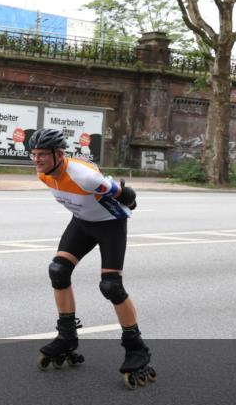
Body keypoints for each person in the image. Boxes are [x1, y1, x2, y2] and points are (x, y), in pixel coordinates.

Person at [28, 128, 155, 389]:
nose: (37, 159)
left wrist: (127, 197)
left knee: (111, 286)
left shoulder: (83, 176)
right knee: (58, 271)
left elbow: (123, 193)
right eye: (34, 154)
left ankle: (136, 347)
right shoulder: (43, 174)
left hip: (110, 225)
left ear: (59, 154)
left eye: (42, 154)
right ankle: (67, 337)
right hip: (82, 223)